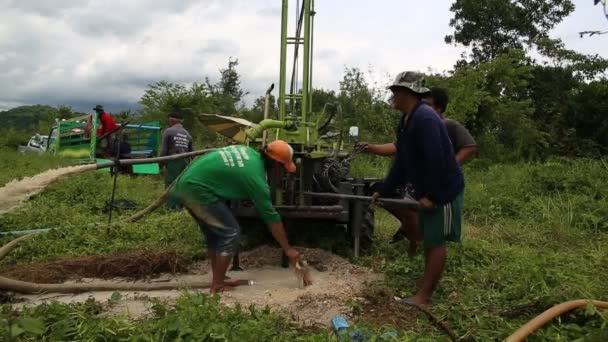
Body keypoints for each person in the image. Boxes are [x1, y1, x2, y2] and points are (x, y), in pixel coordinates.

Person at [369, 71, 464, 307]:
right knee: (429, 237)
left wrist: (433, 196)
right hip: (429, 190)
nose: (392, 97)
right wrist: (386, 189)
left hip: (444, 190)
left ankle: (423, 298)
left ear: (407, 93)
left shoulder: (426, 119)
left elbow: (437, 160)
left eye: (395, 92)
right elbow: (401, 160)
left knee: (435, 241)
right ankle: (424, 287)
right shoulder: (407, 120)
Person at [171, 140, 309, 294]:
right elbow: (271, 218)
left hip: (186, 185)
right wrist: (288, 249)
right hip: (197, 190)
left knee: (215, 234)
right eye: (283, 169)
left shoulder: (248, 152)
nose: (283, 174)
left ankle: (219, 279)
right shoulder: (256, 180)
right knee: (231, 232)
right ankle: (217, 285)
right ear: (276, 165)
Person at [387, 87, 478, 243]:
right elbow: (399, 150)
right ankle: (414, 236)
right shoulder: (415, 124)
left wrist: (449, 165)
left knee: (439, 233)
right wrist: (370, 148)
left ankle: (433, 242)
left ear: (438, 108)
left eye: (427, 105)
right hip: (423, 182)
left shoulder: (448, 125)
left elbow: (470, 147)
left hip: (442, 182)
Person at [160, 112, 194, 210]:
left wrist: (160, 164)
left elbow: (163, 150)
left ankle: (171, 207)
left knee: (171, 184)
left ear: (172, 120)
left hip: (174, 161)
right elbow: (192, 153)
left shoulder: (168, 131)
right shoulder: (188, 134)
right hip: (185, 162)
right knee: (181, 183)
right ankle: (181, 206)